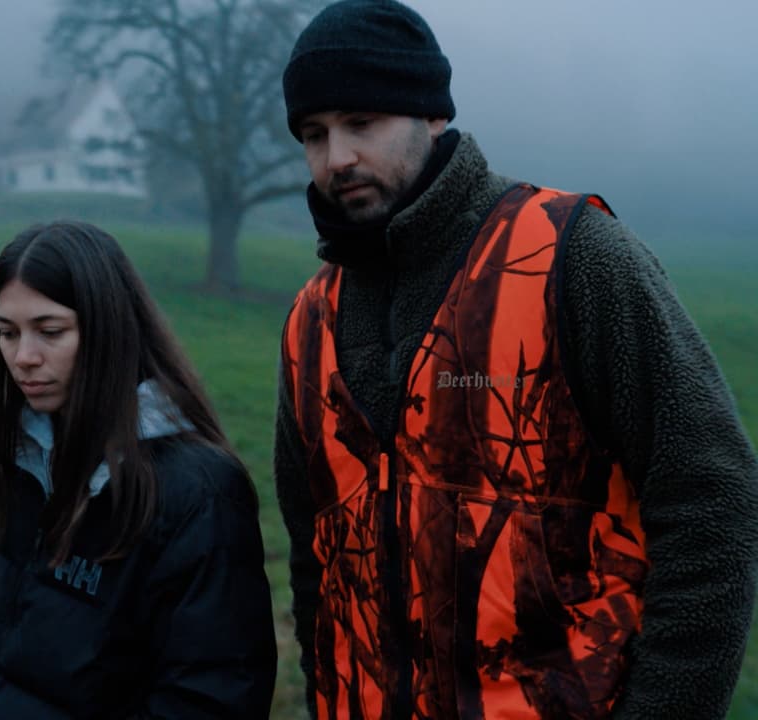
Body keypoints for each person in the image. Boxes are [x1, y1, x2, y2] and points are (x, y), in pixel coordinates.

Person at [273, 1, 758, 719]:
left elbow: (710, 496)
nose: (336, 157)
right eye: (313, 135)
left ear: (432, 115)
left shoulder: (572, 257)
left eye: (361, 124)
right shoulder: (308, 322)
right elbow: (313, 561)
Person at [0, 221, 277, 719]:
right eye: (7, 333)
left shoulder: (199, 493)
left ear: (109, 328)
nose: (23, 358)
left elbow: (211, 697)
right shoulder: (24, 453)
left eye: (50, 331)